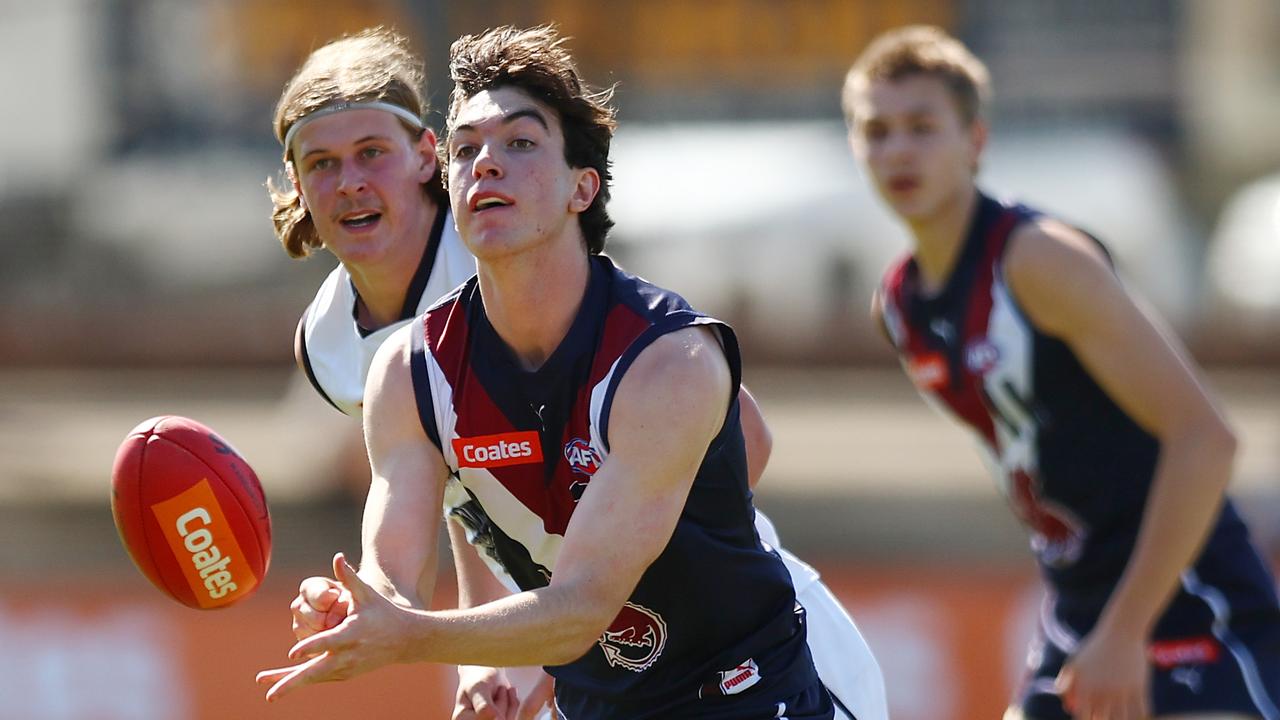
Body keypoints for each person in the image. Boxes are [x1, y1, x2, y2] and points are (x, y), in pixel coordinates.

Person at [268, 24, 884, 720]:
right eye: (321, 162)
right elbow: (464, 507)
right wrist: (372, 609)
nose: (350, 183)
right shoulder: (371, 356)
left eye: (371, 152)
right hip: (592, 679)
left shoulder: (642, 341)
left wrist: (614, 544)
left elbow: (744, 442)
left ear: (420, 159)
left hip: (750, 677)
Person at [844, 24, 1280, 720]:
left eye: (923, 126)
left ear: (975, 141)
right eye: (876, 131)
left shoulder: (1039, 261)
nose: (898, 149)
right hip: (1081, 613)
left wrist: (1127, 629)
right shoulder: (899, 307)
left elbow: (1207, 438)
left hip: (1190, 606)